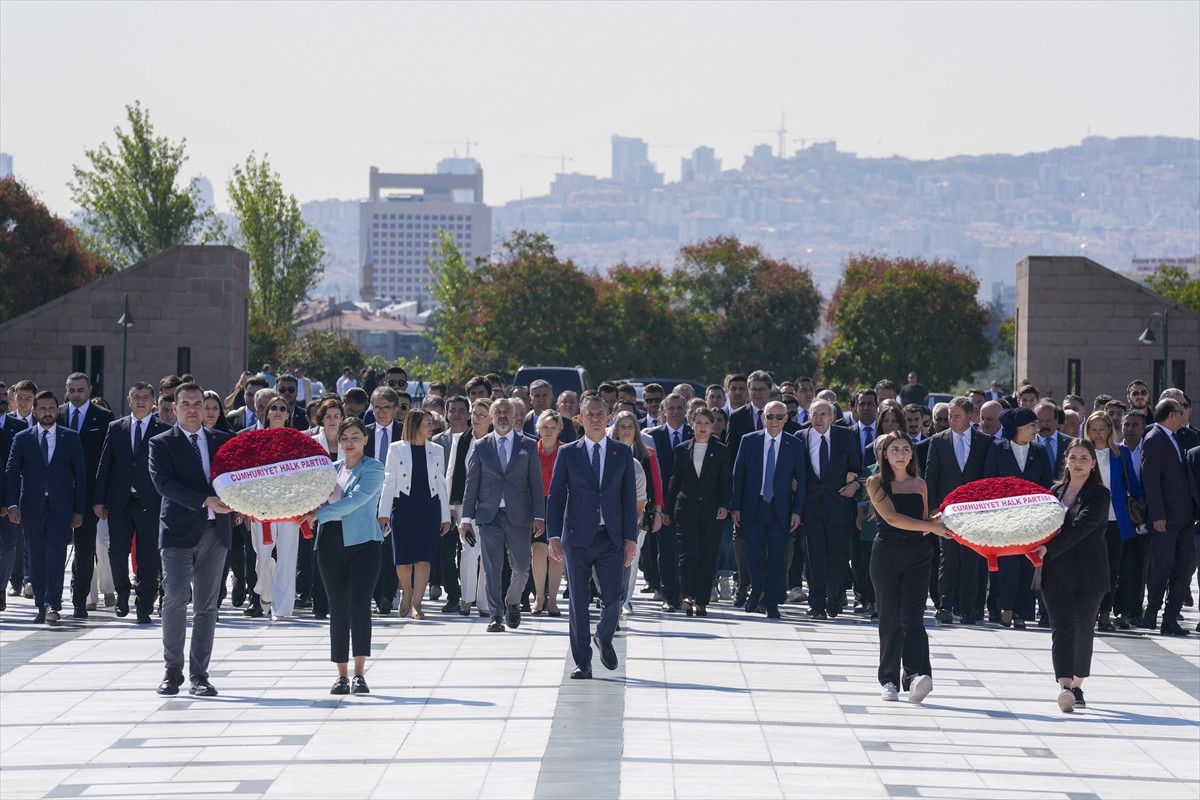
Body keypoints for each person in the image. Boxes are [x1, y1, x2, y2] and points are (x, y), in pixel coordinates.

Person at [148, 383, 234, 696]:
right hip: (177, 533)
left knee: (207, 606)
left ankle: (200, 675)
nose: (193, 409)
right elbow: (163, 483)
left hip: (216, 533)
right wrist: (205, 500)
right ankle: (172, 670)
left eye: (198, 403)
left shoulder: (223, 440)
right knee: (174, 599)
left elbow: (237, 479)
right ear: (174, 408)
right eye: (186, 404)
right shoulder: (161, 443)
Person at [547, 395, 639, 680]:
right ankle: (582, 661)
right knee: (578, 601)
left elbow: (628, 499)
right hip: (577, 537)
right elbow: (557, 496)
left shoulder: (621, 453)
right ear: (580, 419)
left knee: (614, 597)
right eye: (591, 414)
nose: (596, 419)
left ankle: (603, 635)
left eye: (601, 414)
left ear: (609, 417)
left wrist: (630, 538)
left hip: (610, 537)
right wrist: (553, 536)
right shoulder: (568, 453)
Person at [301, 418, 385, 695]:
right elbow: (311, 497)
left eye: (355, 436)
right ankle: (341, 674)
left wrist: (318, 515)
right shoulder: (329, 470)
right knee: (337, 608)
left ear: (365, 439)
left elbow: (357, 501)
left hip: (364, 544)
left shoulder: (373, 468)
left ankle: (360, 673)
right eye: (344, 436)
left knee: (359, 606)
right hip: (330, 544)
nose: (349, 442)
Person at [866, 431, 949, 703]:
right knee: (889, 618)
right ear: (884, 455)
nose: (900, 454)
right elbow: (892, 518)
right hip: (887, 553)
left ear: (912, 453)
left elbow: (923, 519)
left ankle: (916, 676)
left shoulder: (920, 484)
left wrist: (942, 521)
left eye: (905, 449)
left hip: (919, 554)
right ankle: (888, 680)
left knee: (913, 618)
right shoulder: (875, 482)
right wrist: (930, 526)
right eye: (894, 450)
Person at [1031, 439, 1112, 712]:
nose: (1078, 463)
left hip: (1088, 571)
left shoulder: (1099, 493)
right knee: (1062, 628)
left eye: (1084, 458)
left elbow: (1081, 527)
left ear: (1093, 463)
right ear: (1066, 460)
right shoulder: (1054, 492)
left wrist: (1047, 548)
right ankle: (1065, 687)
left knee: (1083, 627)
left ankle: (1078, 684)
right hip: (1054, 570)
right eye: (1073, 457)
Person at [460, 399, 545, 632]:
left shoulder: (528, 445)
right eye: (498, 412)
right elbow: (471, 484)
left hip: (519, 515)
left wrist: (540, 515)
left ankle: (513, 602)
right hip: (489, 515)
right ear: (491, 417)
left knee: (521, 567)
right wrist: (465, 519)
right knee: (491, 567)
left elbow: (536, 485)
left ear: (516, 415)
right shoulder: (481, 445)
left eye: (507, 411)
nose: (503, 416)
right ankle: (496, 615)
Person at [4, 390, 86, 623]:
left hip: (61, 507)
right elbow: (11, 473)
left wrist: (78, 510)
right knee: (36, 555)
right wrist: (11, 504)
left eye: (51, 408)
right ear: (35, 410)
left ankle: (53, 603)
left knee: (56, 555)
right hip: (31, 507)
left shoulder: (70, 438)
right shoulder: (23, 438)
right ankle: (41, 605)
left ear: (57, 410)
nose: (47, 413)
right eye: (42, 409)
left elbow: (80, 476)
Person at [93, 382, 170, 623]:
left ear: (153, 401)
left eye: (145, 397)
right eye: (136, 397)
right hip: (119, 502)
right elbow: (105, 465)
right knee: (117, 553)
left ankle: (144, 605)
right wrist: (99, 500)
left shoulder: (163, 428)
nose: (140, 401)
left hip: (151, 502)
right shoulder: (116, 427)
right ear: (128, 400)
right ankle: (123, 594)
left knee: (148, 556)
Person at [730, 400, 806, 619]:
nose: (774, 421)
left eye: (779, 417)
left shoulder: (795, 444)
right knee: (753, 554)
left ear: (786, 419)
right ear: (763, 417)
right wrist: (735, 506)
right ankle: (757, 590)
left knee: (777, 558)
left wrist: (797, 511)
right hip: (753, 507)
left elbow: (801, 480)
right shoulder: (749, 441)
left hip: (780, 509)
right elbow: (739, 476)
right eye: (770, 416)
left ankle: (771, 602)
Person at [925, 396, 993, 625]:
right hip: (948, 511)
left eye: (957, 416)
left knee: (971, 559)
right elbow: (931, 476)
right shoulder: (939, 440)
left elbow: (988, 478)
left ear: (969, 416)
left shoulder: (984, 441)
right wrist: (935, 509)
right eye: (950, 417)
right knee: (948, 558)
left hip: (975, 512)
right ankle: (945, 606)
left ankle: (969, 608)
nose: (951, 421)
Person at [984, 407, 1053, 629]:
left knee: (1026, 564)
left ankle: (1022, 612)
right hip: (1004, 517)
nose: (1037, 429)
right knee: (1007, 563)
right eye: (1032, 425)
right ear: (1019, 428)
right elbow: (988, 482)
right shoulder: (998, 448)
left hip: (1031, 518)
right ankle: (1006, 609)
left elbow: (1046, 484)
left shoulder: (1040, 451)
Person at [378, 409, 450, 620]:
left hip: (429, 508)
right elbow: (389, 481)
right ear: (416, 424)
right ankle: (407, 592)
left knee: (424, 559)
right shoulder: (396, 449)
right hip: (402, 508)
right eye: (427, 423)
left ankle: (417, 604)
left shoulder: (437, 450)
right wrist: (383, 512)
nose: (431, 427)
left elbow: (441, 483)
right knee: (402, 560)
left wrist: (445, 516)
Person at [796, 399, 862, 619]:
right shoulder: (800, 438)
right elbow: (793, 469)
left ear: (832, 417)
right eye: (814, 414)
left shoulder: (845, 437)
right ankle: (816, 604)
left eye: (823, 414)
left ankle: (833, 595)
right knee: (813, 557)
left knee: (838, 555)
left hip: (839, 505)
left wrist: (854, 485)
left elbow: (857, 469)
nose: (818, 418)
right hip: (811, 507)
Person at [663, 407, 731, 617]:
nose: (702, 427)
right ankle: (687, 596)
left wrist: (724, 505)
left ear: (713, 426)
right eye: (698, 422)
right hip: (686, 509)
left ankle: (702, 600)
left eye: (706, 423)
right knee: (687, 555)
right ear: (692, 425)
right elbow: (675, 481)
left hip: (712, 511)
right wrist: (667, 508)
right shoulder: (683, 449)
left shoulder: (722, 450)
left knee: (707, 555)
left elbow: (726, 481)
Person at [58, 372, 115, 618]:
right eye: (71, 390)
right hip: (58, 494)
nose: (76, 395)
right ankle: (50, 597)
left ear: (89, 389)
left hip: (90, 496)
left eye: (80, 390)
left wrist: (103, 498)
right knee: (55, 548)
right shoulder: (55, 414)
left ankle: (80, 600)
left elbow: (107, 461)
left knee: (85, 549)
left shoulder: (104, 417)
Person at [1080, 411, 1142, 632]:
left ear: (1110, 430)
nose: (1098, 434)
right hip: (1088, 519)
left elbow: (1133, 484)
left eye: (1102, 429)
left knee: (1111, 569)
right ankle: (1088, 612)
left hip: (1115, 519)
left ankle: (1105, 614)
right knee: (1087, 567)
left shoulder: (1121, 453)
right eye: (1093, 430)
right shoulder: (1082, 452)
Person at [245, 393, 304, 622]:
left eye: (282, 408)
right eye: (273, 408)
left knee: (288, 558)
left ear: (288, 414)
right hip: (263, 509)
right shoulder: (254, 441)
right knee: (263, 558)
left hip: (290, 508)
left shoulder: (299, 442)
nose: (278, 411)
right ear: (266, 414)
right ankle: (266, 594)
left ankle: (283, 608)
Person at [1139, 398, 1193, 636]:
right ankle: (1151, 613)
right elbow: (1150, 480)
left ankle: (1170, 619)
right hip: (1166, 519)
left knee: (1182, 567)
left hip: (1184, 517)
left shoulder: (1174, 438)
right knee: (1164, 564)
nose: (1184, 416)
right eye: (1181, 412)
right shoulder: (1154, 439)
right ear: (1172, 415)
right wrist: (1157, 515)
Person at [612, 410, 663, 616]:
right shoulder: (609, 451)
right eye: (622, 426)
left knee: (632, 558)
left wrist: (658, 510)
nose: (626, 431)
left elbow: (656, 484)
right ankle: (613, 596)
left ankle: (626, 599)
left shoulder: (647, 453)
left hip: (639, 514)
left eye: (630, 427)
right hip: (612, 515)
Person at [533, 410, 566, 616]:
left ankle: (552, 600)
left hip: (560, 505)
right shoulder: (530, 450)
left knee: (556, 554)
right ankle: (538, 597)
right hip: (535, 505)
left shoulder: (566, 450)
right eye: (545, 427)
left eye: (553, 427)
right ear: (538, 428)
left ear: (560, 429)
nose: (549, 431)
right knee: (538, 551)